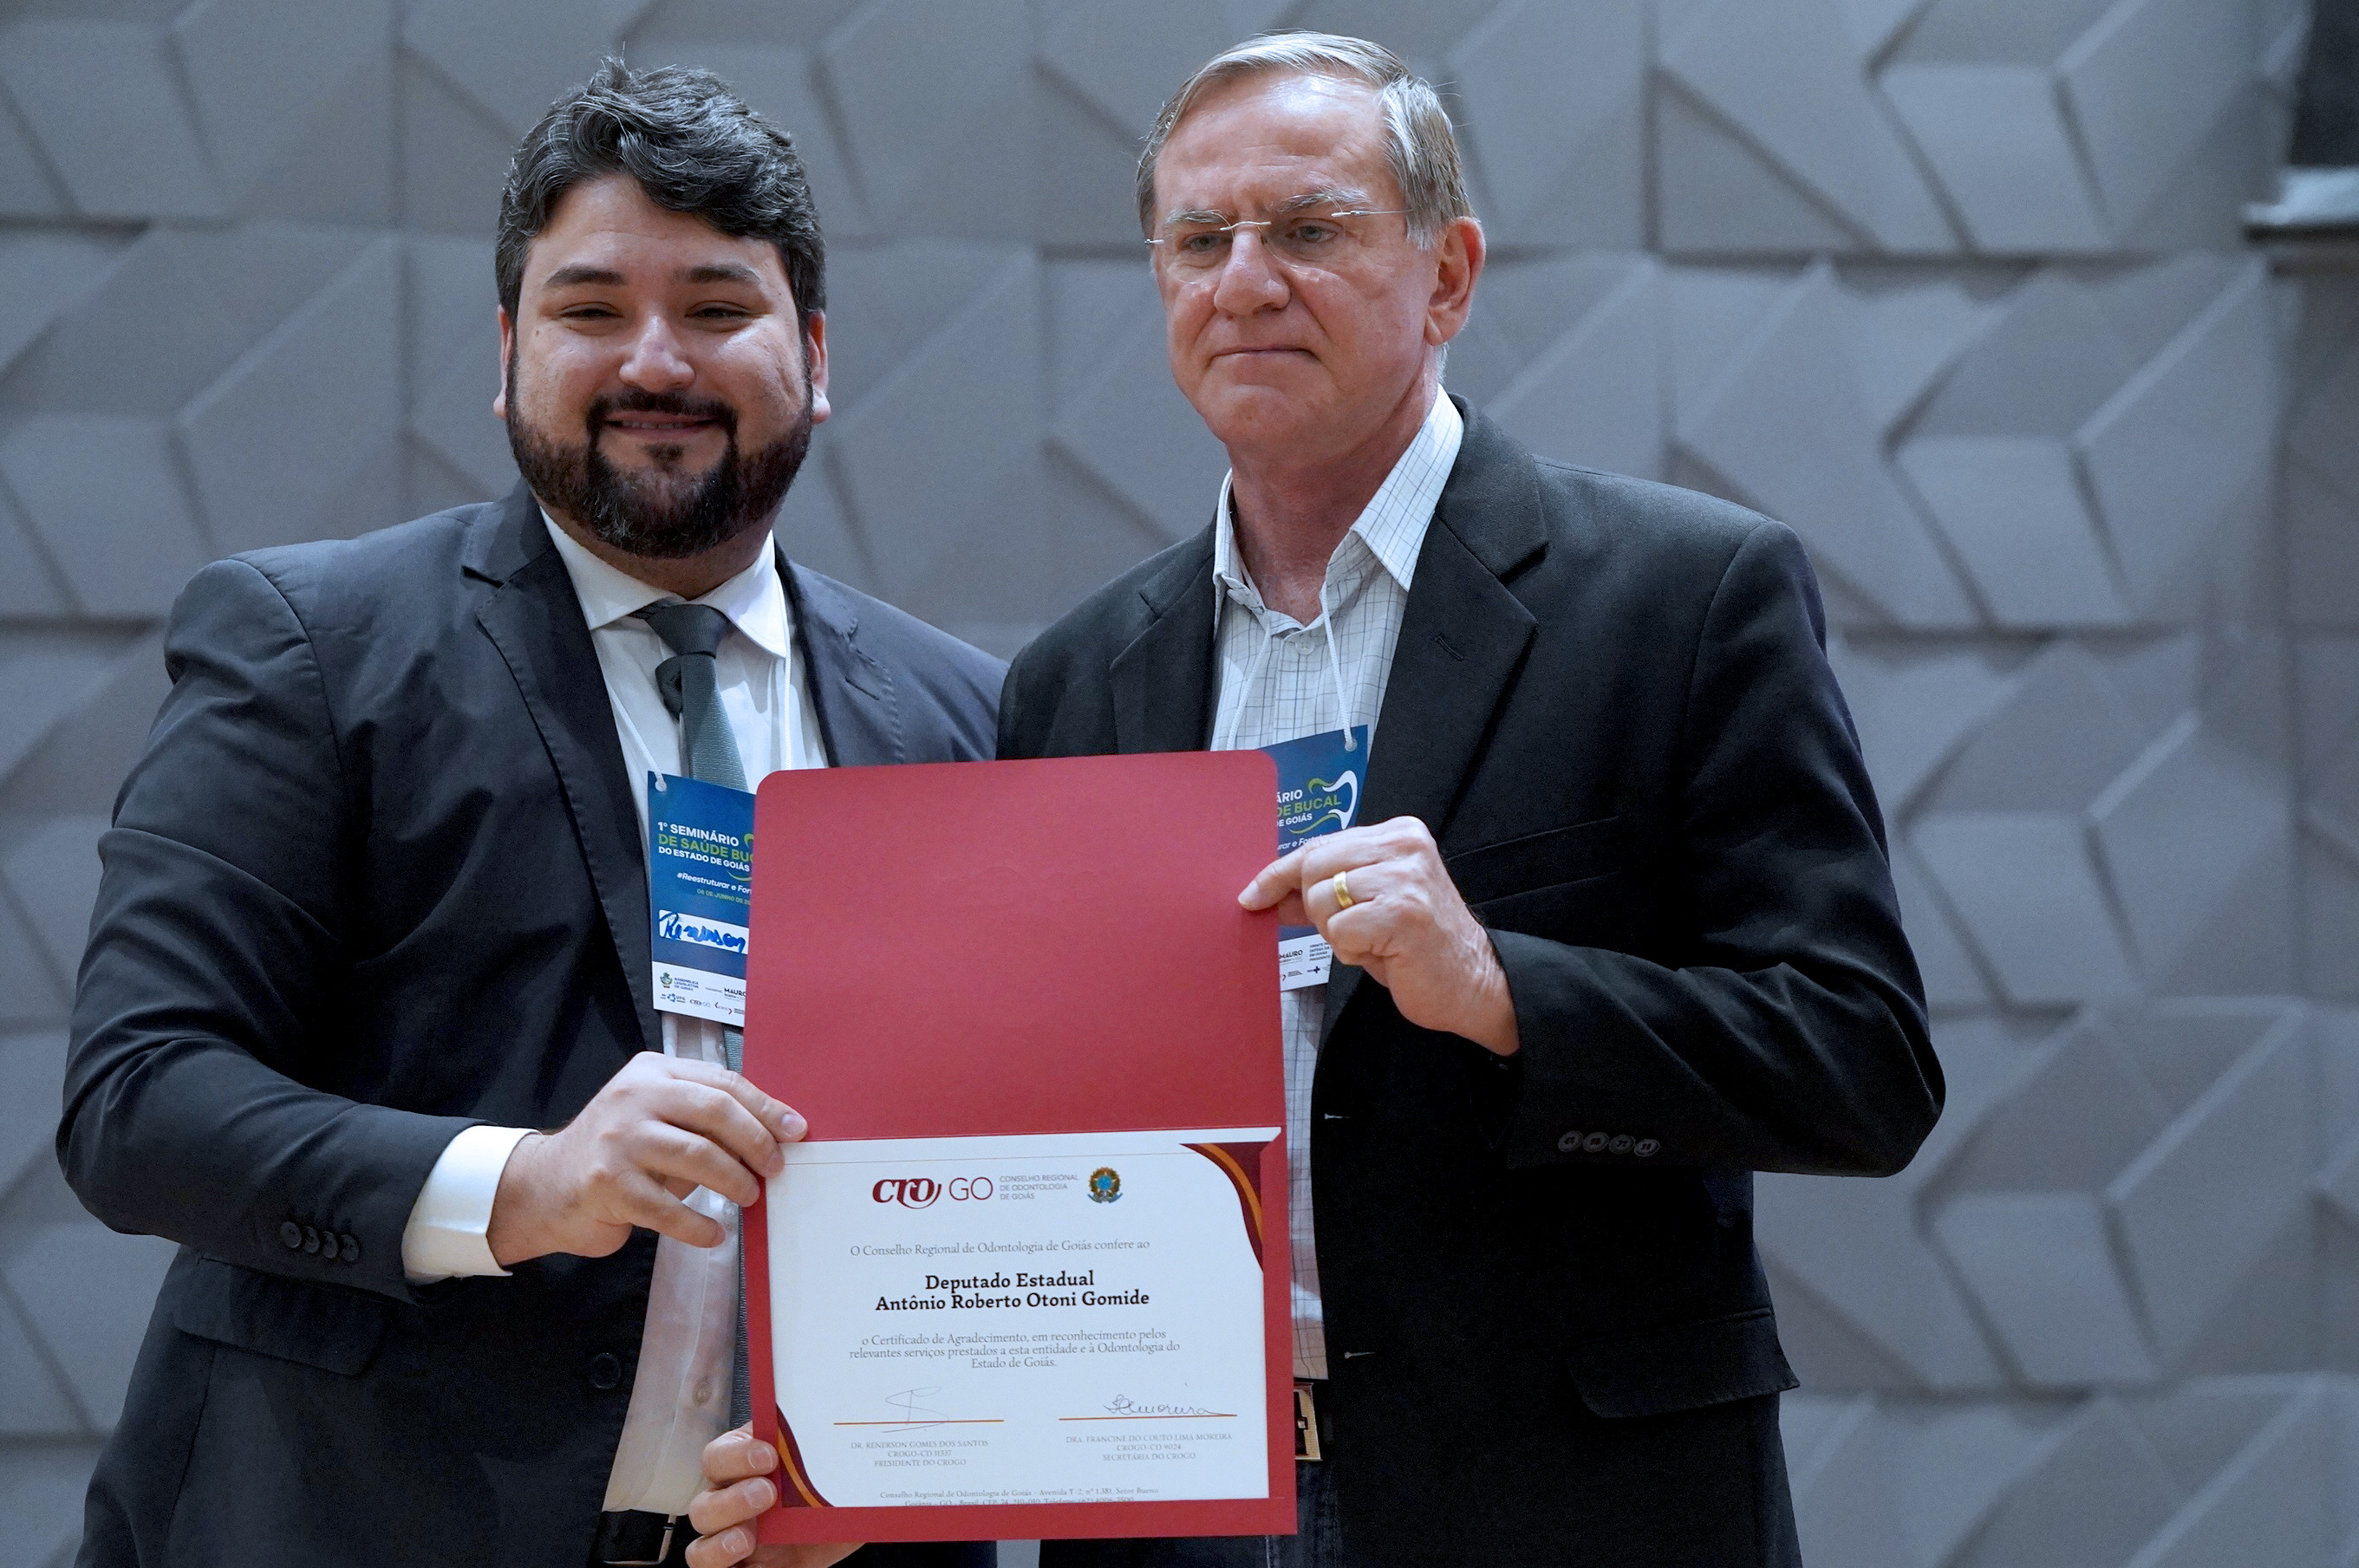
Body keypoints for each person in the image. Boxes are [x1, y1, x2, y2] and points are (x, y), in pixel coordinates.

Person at [692, 29, 1943, 1568]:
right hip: (1167, 1505)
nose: (1245, 281)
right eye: (1197, 239)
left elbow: (1860, 1063)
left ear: (1446, 275)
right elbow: (1025, 1139)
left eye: (1308, 228)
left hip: (1561, 1504)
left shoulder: (1684, 598)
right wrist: (888, 1453)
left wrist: (1502, 990)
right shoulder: (1075, 681)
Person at [57, 62, 998, 1568]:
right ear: (507, 352)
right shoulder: (309, 651)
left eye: (715, 306)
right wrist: (527, 1184)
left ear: (814, 354)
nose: (655, 360)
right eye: (589, 308)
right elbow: (140, 1102)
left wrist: (905, 1468)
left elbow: (1002, 1162)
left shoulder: (967, 718)